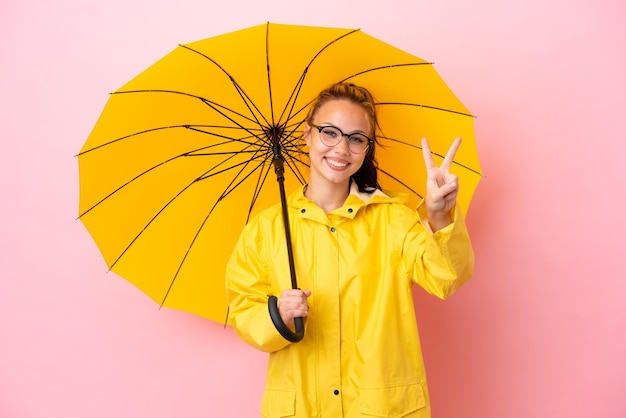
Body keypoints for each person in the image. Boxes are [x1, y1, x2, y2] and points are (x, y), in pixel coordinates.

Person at [226, 82, 474, 418]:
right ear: (307, 136)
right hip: (302, 408)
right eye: (330, 133)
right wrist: (277, 316)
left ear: (366, 148)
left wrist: (439, 214)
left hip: (381, 408)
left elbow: (446, 278)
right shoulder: (266, 230)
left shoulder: (393, 219)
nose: (342, 148)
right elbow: (245, 309)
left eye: (356, 139)